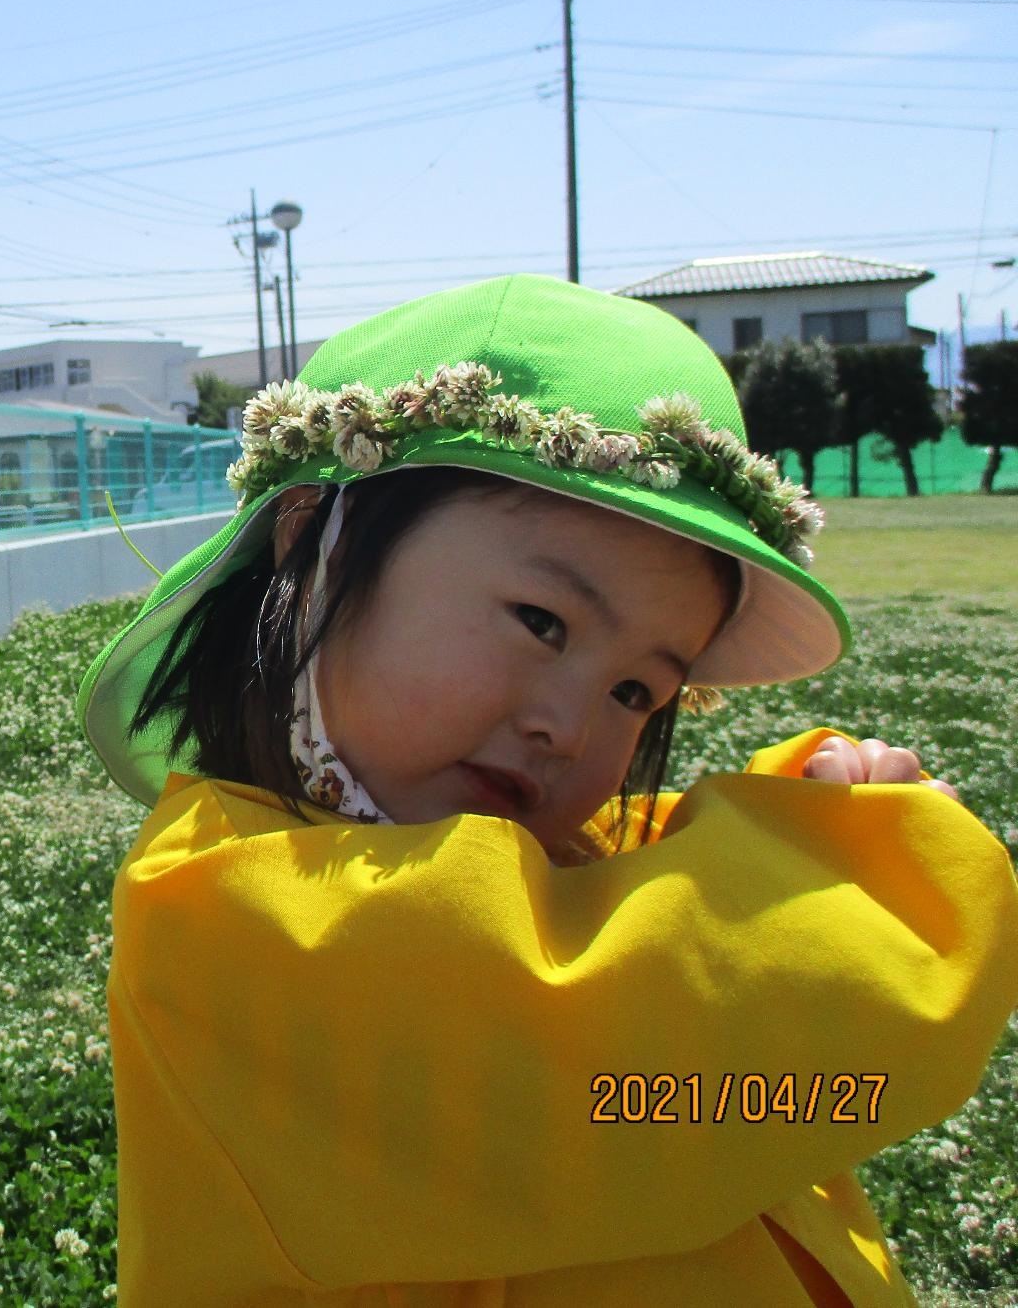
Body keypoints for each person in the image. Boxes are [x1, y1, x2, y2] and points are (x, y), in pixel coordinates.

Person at [78, 274, 1018, 1306]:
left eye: (633, 690)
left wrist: (811, 800)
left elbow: (642, 894)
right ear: (310, 535)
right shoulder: (230, 917)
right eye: (540, 622)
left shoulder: (553, 859)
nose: (566, 727)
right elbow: (725, 1032)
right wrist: (871, 882)